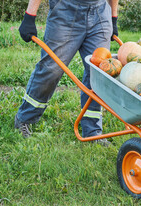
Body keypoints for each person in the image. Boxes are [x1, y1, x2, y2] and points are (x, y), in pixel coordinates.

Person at [14, 0, 119, 147]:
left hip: (100, 13)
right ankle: (25, 118)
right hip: (65, 11)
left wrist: (113, 17)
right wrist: (29, 15)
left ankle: (93, 132)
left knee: (98, 72)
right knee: (51, 68)